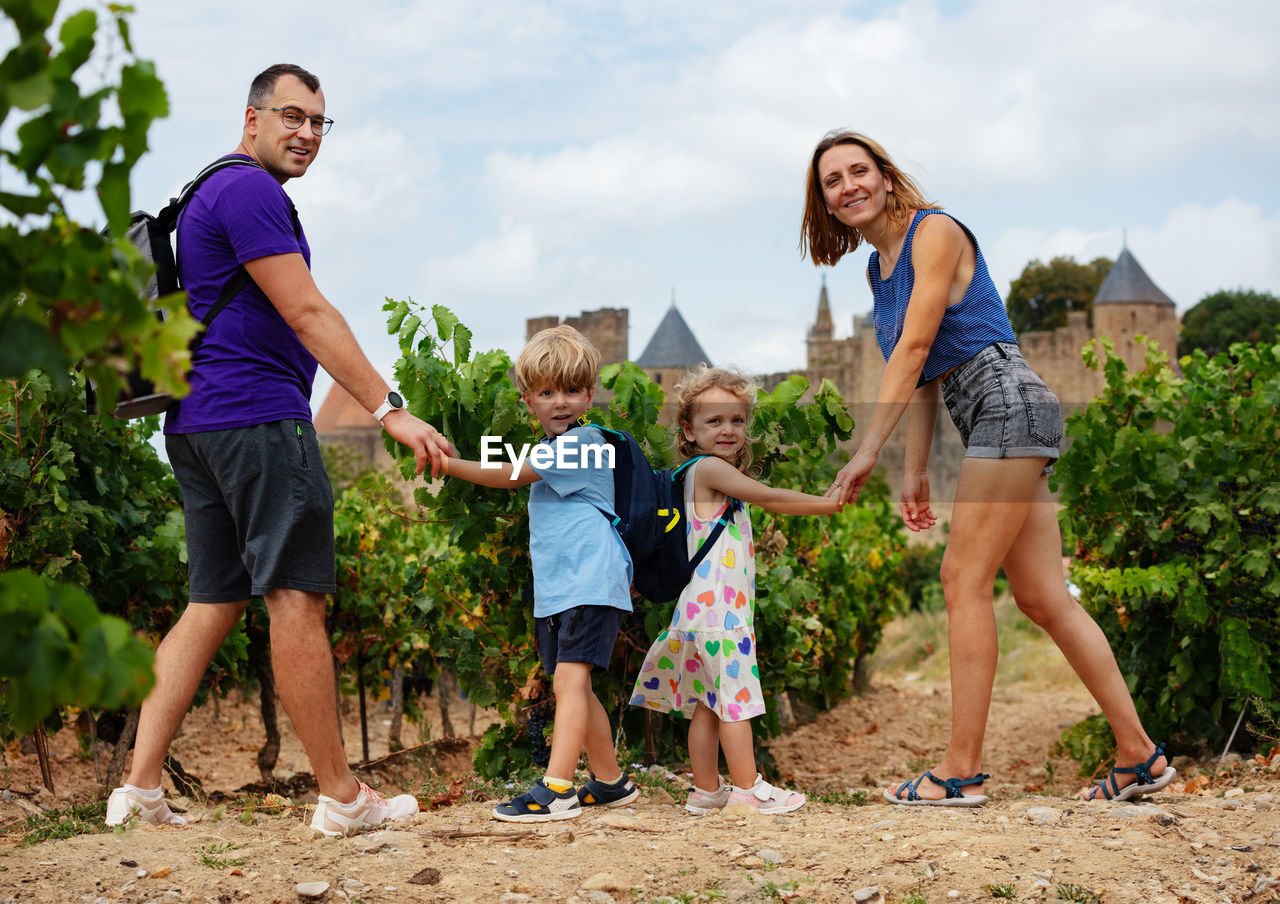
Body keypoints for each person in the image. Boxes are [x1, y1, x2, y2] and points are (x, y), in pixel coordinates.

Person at [104, 63, 455, 835]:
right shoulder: (250, 191)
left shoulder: (205, 189)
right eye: (291, 116)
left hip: (196, 425)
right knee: (294, 593)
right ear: (252, 118)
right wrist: (388, 408)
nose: (305, 133)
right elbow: (306, 310)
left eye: (318, 123)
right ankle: (341, 796)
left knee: (211, 602)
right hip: (258, 418)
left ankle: (138, 790)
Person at [801, 130, 1175, 806]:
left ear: (886, 177)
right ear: (823, 201)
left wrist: (863, 453)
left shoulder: (935, 233)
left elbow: (916, 348)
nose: (849, 185)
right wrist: (912, 469)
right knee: (1041, 597)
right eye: (833, 180)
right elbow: (916, 372)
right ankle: (1138, 752)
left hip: (1007, 401)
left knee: (960, 578)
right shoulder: (877, 271)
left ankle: (959, 771)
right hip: (987, 412)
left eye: (860, 171)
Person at [441, 324, 640, 822]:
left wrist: (447, 464)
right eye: (547, 392)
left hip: (591, 579)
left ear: (590, 395)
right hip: (563, 587)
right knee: (575, 684)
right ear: (527, 398)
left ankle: (557, 789)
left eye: (572, 390)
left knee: (569, 682)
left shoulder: (585, 441)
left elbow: (507, 473)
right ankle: (611, 782)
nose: (561, 402)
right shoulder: (557, 449)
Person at [629, 366, 841, 815]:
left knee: (708, 705)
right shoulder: (708, 469)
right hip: (719, 612)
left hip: (699, 611)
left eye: (737, 420)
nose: (728, 430)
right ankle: (747, 788)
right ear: (688, 429)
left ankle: (707, 791)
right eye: (714, 421)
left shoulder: (696, 472)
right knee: (736, 700)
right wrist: (829, 504)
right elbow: (770, 497)